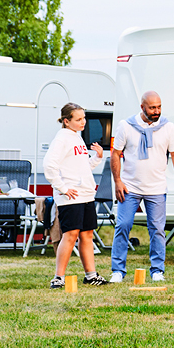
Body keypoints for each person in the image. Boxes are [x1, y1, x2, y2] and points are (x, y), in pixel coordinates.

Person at [109, 91, 174, 283]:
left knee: (157, 229)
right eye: (152, 107)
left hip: (157, 188)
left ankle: (157, 270)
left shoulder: (168, 127)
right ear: (142, 107)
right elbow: (115, 154)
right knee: (123, 225)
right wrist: (118, 181)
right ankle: (118, 271)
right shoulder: (126, 126)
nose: (156, 111)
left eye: (159, 107)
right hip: (130, 187)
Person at [42, 103, 109, 288]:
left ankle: (91, 275)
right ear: (66, 121)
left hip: (86, 194)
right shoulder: (62, 139)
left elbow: (81, 167)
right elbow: (49, 165)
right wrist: (62, 188)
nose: (83, 122)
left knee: (87, 234)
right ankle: (58, 277)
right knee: (70, 235)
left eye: (84, 118)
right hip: (71, 197)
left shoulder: (76, 138)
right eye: (78, 119)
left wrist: (97, 158)